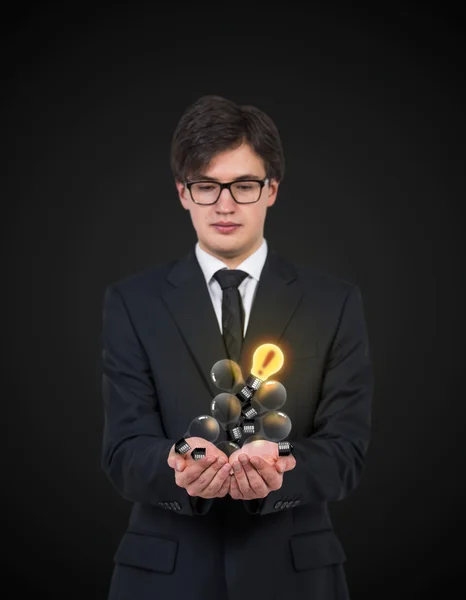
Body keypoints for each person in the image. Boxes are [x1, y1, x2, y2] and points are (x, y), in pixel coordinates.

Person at [100, 94, 373, 600]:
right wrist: (177, 463)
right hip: (163, 577)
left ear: (271, 190)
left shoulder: (334, 302)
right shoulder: (131, 302)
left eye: (243, 185)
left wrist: (283, 466)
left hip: (295, 576)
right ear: (183, 193)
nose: (224, 205)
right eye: (207, 186)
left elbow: (346, 450)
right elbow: (122, 450)